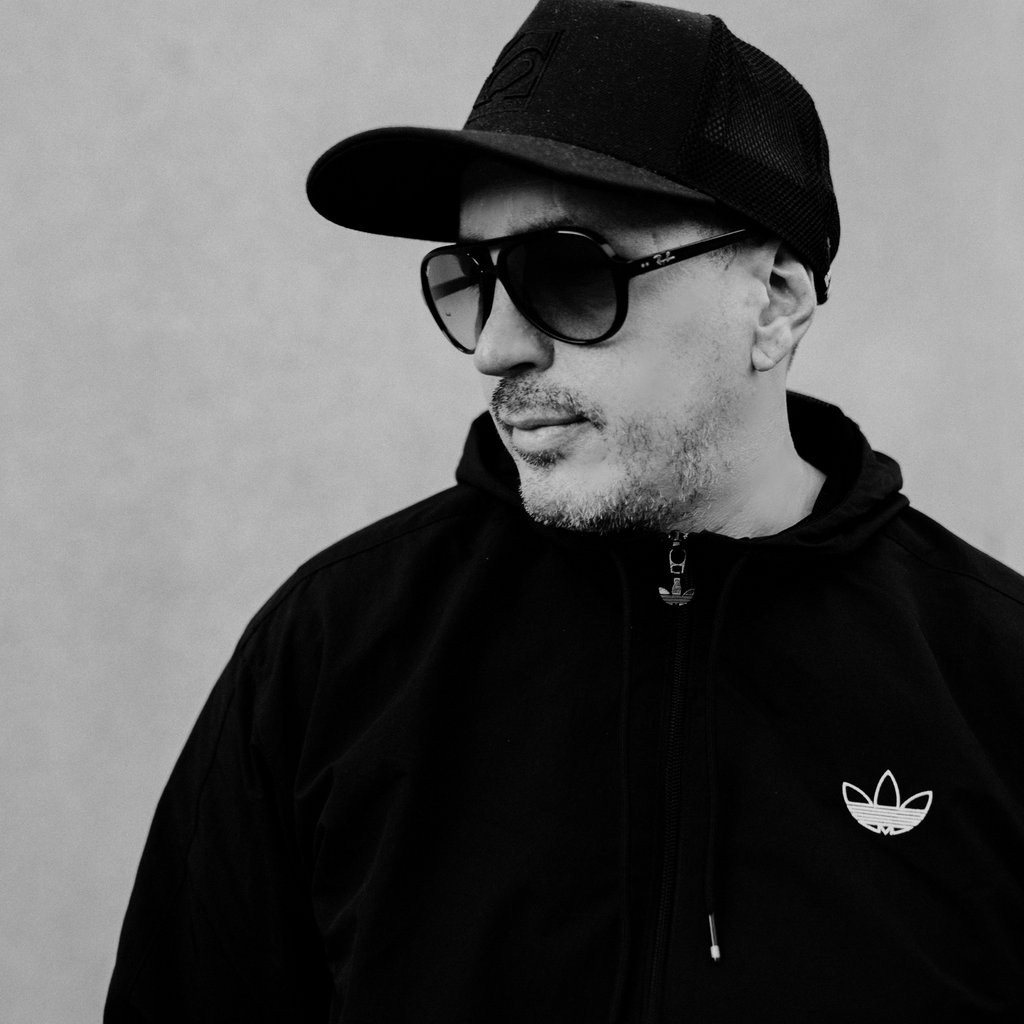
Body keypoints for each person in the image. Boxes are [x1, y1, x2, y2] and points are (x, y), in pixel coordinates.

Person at [105, 1, 1024, 1021]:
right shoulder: (333, 651)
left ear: (773, 300)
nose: (495, 346)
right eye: (472, 278)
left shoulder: (992, 677)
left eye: (569, 272)